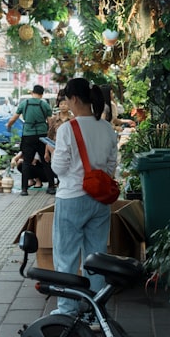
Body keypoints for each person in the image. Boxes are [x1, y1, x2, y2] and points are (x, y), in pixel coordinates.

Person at [49, 77, 119, 317]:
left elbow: (58, 168)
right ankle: (94, 311)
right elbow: (111, 165)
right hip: (99, 199)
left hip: (72, 198)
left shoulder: (68, 128)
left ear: (75, 99)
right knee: (95, 256)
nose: (66, 103)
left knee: (66, 255)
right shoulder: (107, 127)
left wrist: (55, 153)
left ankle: (67, 310)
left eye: (67, 99)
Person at [6, 84, 55, 196]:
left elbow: (14, 118)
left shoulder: (24, 104)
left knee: (27, 162)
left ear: (32, 93)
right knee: (46, 161)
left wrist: (8, 126)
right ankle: (51, 187)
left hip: (28, 135)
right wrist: (50, 136)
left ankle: (24, 189)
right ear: (42, 94)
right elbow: (50, 122)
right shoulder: (45, 105)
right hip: (42, 135)